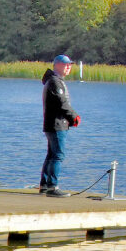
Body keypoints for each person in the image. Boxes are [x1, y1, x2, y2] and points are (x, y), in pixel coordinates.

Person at [40, 54, 81, 196]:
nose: (69, 67)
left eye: (70, 64)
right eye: (66, 64)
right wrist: (74, 117)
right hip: (56, 125)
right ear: (57, 65)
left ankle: (45, 185)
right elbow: (61, 103)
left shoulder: (54, 81)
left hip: (53, 124)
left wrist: (70, 118)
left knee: (51, 155)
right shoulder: (55, 82)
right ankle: (52, 187)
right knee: (58, 156)